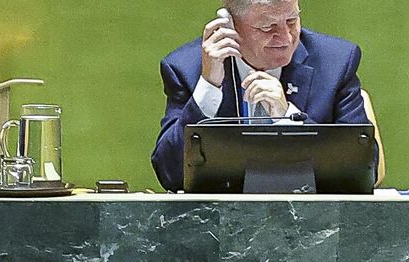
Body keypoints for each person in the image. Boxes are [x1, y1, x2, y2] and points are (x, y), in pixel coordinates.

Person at [151, 0, 373, 191]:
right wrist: (209, 86)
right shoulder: (185, 69)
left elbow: (364, 170)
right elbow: (170, 174)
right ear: (229, 26)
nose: (285, 37)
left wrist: (287, 117)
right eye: (268, 28)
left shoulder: (336, 62)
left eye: (292, 21)